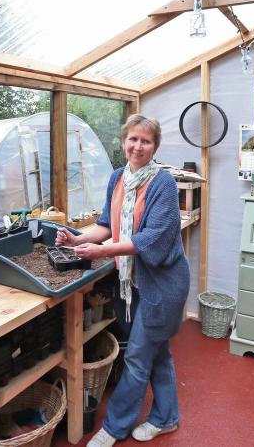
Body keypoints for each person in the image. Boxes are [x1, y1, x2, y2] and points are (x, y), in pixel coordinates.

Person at [55, 114, 189, 446]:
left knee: (137, 357)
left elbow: (151, 239)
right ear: (124, 141)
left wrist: (100, 251)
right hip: (132, 283)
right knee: (156, 353)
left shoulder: (163, 183)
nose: (138, 146)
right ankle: (167, 417)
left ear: (154, 146)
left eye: (145, 141)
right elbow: (106, 224)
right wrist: (76, 239)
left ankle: (114, 427)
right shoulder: (118, 178)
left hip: (162, 284)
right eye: (133, 139)